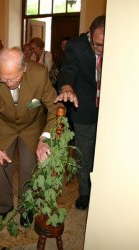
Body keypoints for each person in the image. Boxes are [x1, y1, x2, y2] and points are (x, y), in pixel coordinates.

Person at [0, 47, 60, 227]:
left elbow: (55, 107)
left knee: (27, 167)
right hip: (4, 126)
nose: (8, 84)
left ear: (24, 68)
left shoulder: (39, 74)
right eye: (4, 79)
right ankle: (5, 206)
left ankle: (26, 207)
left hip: (31, 127)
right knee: (2, 168)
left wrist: (44, 138)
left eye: (14, 79)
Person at [54, 15, 106, 210]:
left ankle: (102, 190)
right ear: (89, 36)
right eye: (98, 45)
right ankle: (85, 192)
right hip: (84, 109)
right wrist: (67, 86)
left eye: (105, 45)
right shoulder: (76, 46)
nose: (102, 50)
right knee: (84, 154)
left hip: (111, 112)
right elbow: (68, 68)